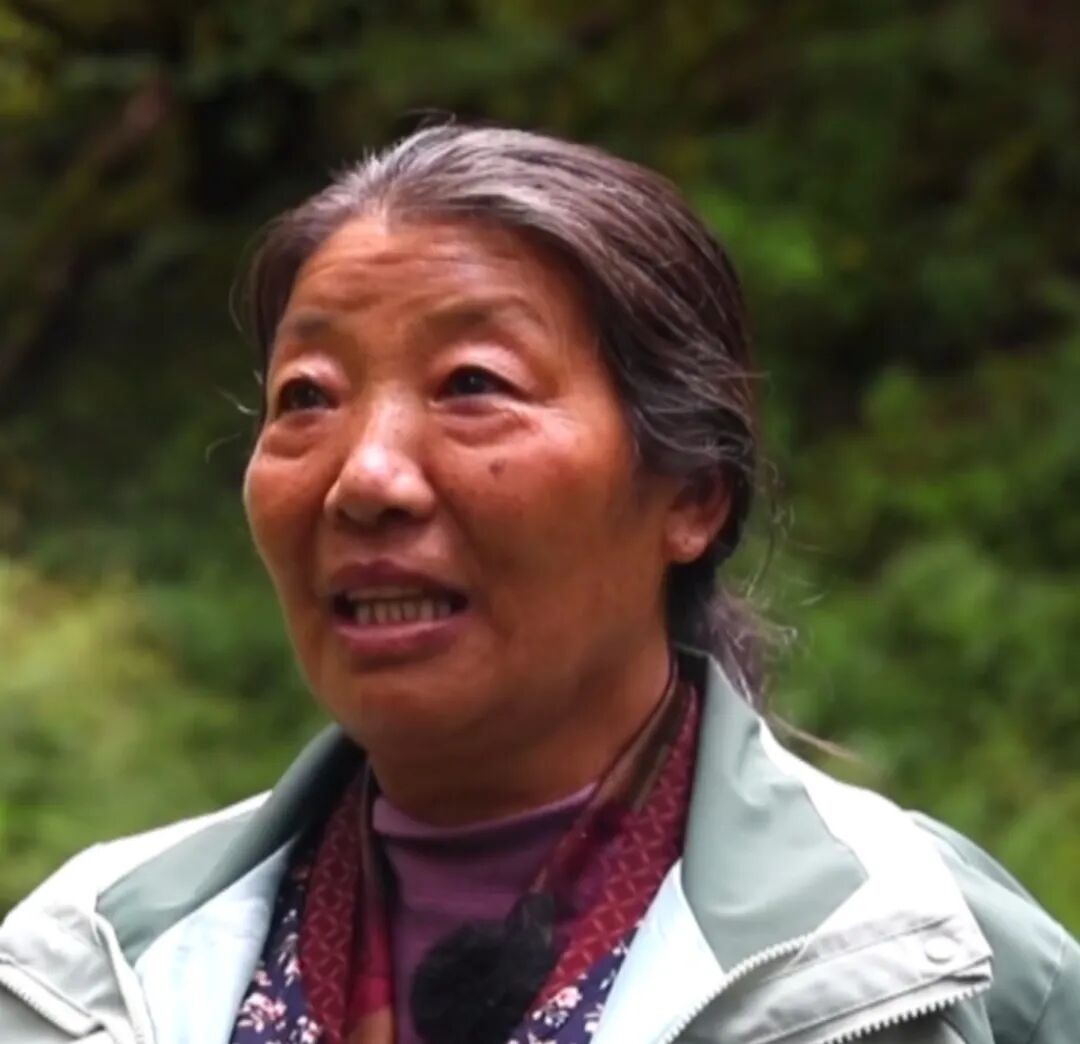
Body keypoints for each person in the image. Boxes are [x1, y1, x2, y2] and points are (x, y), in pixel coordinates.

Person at [0, 124, 1075, 1044]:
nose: (365, 478)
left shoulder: (925, 964)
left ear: (693, 495)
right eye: (308, 397)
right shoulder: (86, 972)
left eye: (474, 385)